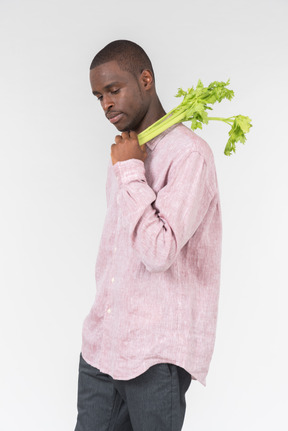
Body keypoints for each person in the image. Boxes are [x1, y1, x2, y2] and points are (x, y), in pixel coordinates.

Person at [74, 40, 222, 431]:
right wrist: (129, 166)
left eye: (113, 89)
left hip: (154, 356)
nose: (105, 104)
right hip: (102, 347)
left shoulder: (189, 154)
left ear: (145, 80)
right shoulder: (128, 152)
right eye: (98, 96)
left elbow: (160, 251)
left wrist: (130, 172)